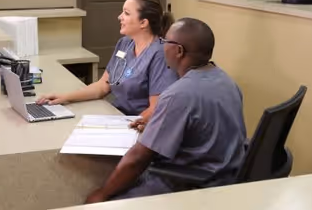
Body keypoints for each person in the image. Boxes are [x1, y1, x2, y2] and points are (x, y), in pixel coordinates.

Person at [85, 18, 247, 203]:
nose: (162, 47)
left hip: (189, 184)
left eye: (165, 42)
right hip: (227, 176)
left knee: (101, 200)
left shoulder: (177, 94)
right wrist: (160, 122)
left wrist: (103, 193)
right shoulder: (226, 81)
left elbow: (138, 159)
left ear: (178, 51)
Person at [38, 0, 178, 120]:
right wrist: (64, 97)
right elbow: (103, 86)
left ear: (143, 22)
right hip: (117, 116)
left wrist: (126, 129)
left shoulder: (160, 54)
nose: (119, 17)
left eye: (126, 13)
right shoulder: (125, 43)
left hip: (138, 127)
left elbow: (156, 109)